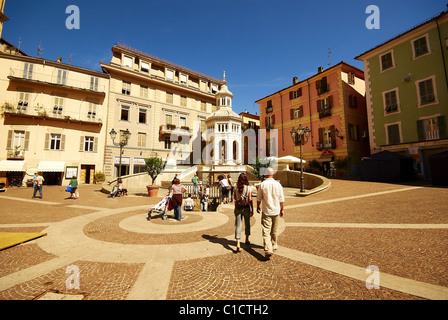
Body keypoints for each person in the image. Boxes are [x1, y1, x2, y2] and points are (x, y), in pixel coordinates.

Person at [256, 167, 285, 260]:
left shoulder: (262, 184)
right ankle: (274, 244)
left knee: (266, 231)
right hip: (276, 210)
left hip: (266, 211)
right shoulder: (278, 185)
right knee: (274, 229)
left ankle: (268, 249)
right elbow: (281, 199)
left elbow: (258, 198)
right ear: (273, 174)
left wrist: (257, 206)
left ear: (265, 174)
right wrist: (282, 209)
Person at [233, 173, 253, 253]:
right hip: (246, 207)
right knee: (247, 223)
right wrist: (252, 209)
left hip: (238, 207)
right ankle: (247, 239)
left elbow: (234, 198)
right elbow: (250, 199)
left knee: (238, 225)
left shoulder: (235, 187)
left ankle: (238, 244)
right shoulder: (248, 188)